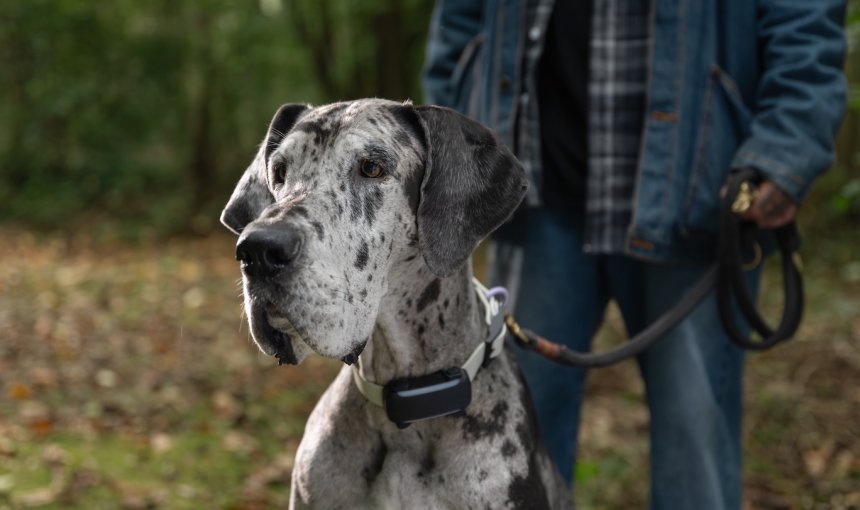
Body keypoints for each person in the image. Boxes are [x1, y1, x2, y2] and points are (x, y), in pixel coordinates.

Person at [423, 1, 847, 508]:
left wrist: (788, 143)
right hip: (535, 192)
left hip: (698, 191)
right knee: (502, 440)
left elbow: (803, 19)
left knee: (695, 446)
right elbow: (459, 22)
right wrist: (452, 153)